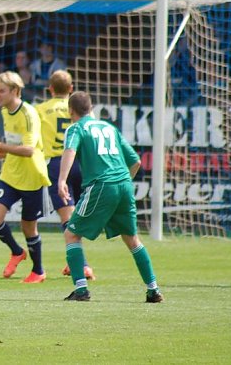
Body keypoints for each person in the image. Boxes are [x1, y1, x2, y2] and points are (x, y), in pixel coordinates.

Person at [58, 91, 163, 303]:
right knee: (132, 239)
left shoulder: (76, 128)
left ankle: (81, 290)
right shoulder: (109, 127)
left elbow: (70, 151)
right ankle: (153, 290)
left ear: (70, 111)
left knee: (71, 234)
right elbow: (135, 162)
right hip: (124, 184)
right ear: (91, 108)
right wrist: (122, 183)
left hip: (101, 185)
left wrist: (62, 180)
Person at [0, 71, 51, 283]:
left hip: (32, 177)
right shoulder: (6, 111)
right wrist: (2, 150)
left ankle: (38, 271)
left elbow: (29, 150)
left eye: (1, 91)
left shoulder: (28, 114)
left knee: (28, 226)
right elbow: (15, 142)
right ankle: (16, 251)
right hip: (11, 174)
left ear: (15, 91)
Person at [33, 70, 95, 280]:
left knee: (68, 216)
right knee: (78, 213)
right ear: (71, 88)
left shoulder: (40, 110)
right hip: (82, 163)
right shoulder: (82, 110)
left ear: (50, 89)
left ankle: (82, 264)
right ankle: (75, 260)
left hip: (58, 164)